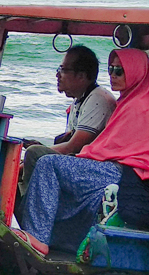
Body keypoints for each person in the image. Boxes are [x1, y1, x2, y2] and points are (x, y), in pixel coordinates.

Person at [17, 49, 149, 254]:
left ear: (136, 72)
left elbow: (111, 148)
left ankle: (38, 237)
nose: (113, 75)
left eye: (120, 71)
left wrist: (78, 157)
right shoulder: (132, 101)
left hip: (124, 173)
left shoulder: (139, 106)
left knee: (48, 163)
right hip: (117, 168)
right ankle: (49, 235)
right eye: (111, 69)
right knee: (52, 163)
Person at [19, 45, 116, 195]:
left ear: (82, 76)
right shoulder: (80, 101)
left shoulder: (98, 99)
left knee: (33, 154)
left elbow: (73, 147)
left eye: (63, 70)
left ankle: (32, 210)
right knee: (27, 158)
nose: (58, 75)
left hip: (94, 170)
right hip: (80, 164)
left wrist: (35, 155)